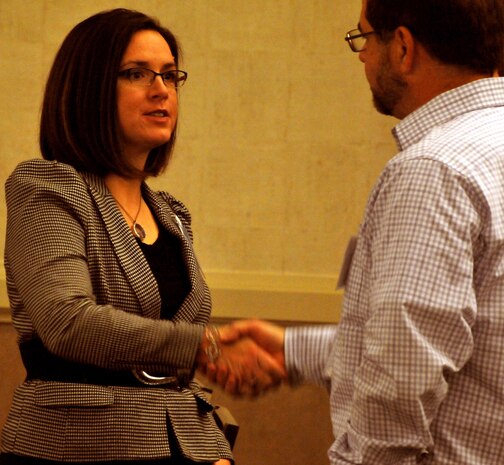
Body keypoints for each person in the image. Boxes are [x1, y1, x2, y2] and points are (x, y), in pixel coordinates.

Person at [213, 0, 504, 464]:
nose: (364, 56)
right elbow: (470, 337)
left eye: (364, 38)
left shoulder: (433, 170)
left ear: (404, 47)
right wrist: (293, 350)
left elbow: (405, 366)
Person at [0, 8, 285, 465]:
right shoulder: (46, 188)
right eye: (137, 74)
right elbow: (67, 323)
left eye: (171, 76)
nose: (161, 91)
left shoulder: (171, 215)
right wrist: (204, 346)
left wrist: (212, 450)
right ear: (88, 89)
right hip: (74, 448)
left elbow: (169, 370)